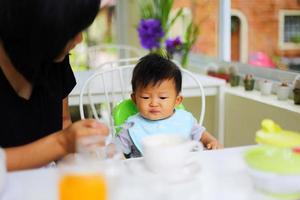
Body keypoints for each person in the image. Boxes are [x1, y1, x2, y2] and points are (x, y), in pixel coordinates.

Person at [0, 0, 109, 171]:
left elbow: (64, 121)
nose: (80, 39)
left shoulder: (54, 58)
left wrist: (80, 153)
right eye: (71, 30)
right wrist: (63, 143)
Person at [116, 54, 222, 158]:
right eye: (145, 97)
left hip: (182, 171)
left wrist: (212, 142)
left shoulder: (185, 119)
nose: (154, 103)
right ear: (135, 99)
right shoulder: (132, 126)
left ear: (177, 100)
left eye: (162, 98)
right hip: (146, 173)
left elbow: (202, 135)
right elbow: (115, 149)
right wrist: (115, 154)